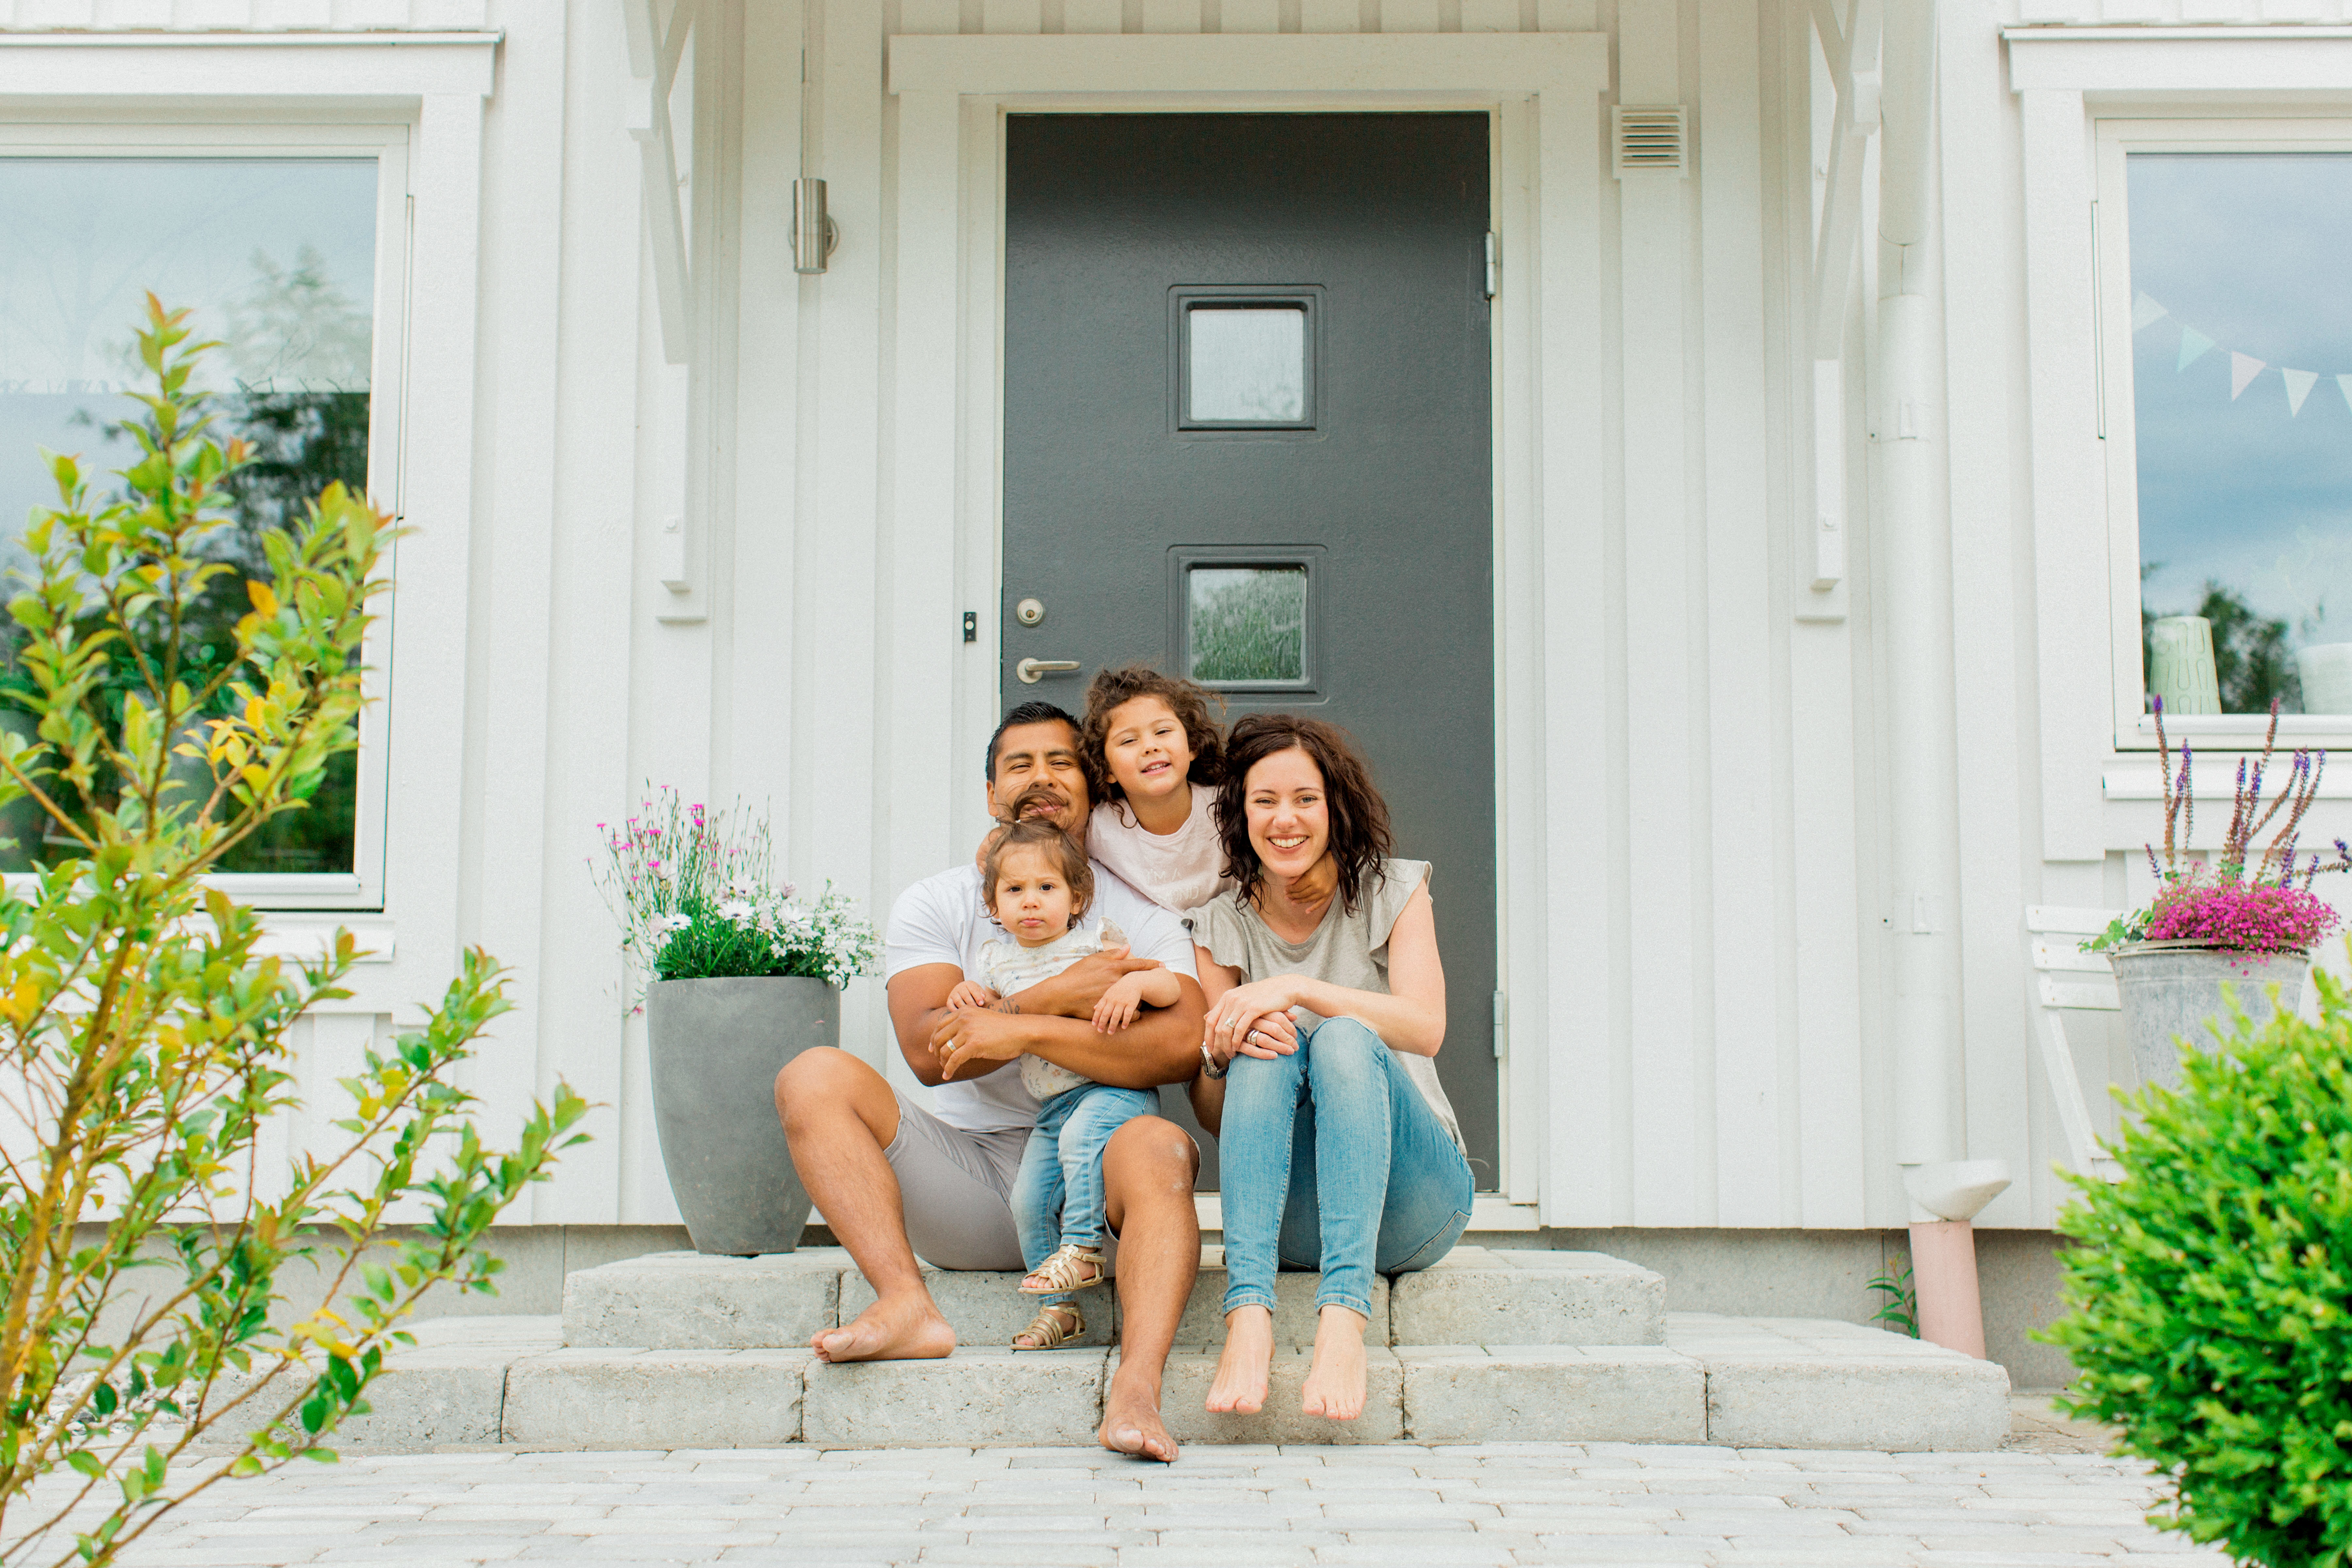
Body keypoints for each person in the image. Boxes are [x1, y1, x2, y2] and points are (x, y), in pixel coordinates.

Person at [772, 701, 1207, 1463]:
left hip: (1095, 1185)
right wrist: (1050, 997)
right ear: (989, 792)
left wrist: (1021, 1029)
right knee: (813, 1074)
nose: (1040, 777)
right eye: (1019, 764)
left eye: (1061, 762)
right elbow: (927, 1048)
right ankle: (907, 1305)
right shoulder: (938, 901)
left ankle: (1136, 1388)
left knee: (1162, 1144)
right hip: (966, 1178)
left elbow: (1180, 1042)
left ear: (1094, 786)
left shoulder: (1134, 910)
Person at [1186, 713, 1473, 1423]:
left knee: (1343, 1036)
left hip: (1413, 1205)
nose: (1286, 820)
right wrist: (1220, 1055)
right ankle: (1248, 1314)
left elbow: (1426, 1028)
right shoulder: (1219, 924)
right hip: (1288, 1215)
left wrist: (1300, 988)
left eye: (1305, 799)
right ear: (1240, 813)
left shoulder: (1395, 892)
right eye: (1265, 801)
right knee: (1263, 1038)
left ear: (1335, 804)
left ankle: (1344, 1319)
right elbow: (1215, 1113)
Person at [946, 822, 1180, 1348]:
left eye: (1046, 888)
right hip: (1052, 1107)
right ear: (993, 904)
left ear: (1077, 898)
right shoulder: (995, 962)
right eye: (1014, 890)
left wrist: (1138, 983)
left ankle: (1083, 1248)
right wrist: (969, 994)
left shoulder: (1096, 944)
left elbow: (1167, 985)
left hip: (1111, 1090)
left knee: (1081, 1144)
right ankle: (1060, 1311)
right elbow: (985, 1015)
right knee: (1027, 1200)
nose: (1031, 902)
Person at [1080, 665, 1234, 915]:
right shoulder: (1100, 829)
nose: (1150, 747)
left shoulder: (1226, 808)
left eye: (1163, 731)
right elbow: (1051, 848)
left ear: (1192, 746)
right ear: (1106, 769)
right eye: (1129, 741)